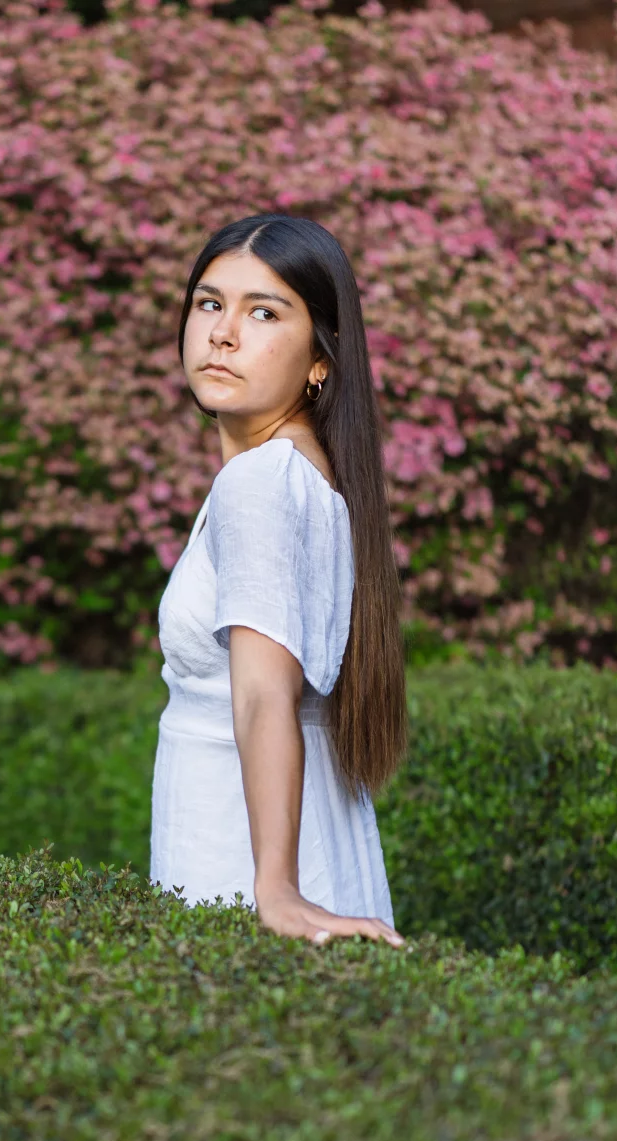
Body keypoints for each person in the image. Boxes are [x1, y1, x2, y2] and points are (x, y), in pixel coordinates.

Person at [150, 213, 407, 950]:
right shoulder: (298, 472)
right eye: (210, 303)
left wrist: (275, 888)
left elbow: (266, 690)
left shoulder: (262, 483)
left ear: (320, 360)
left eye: (264, 312)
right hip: (304, 830)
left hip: (239, 847)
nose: (223, 333)